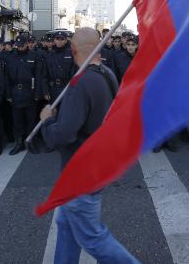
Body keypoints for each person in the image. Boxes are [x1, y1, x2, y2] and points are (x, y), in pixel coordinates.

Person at [40, 27, 139, 264]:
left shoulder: (80, 83)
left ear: (73, 49)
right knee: (65, 224)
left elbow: (63, 135)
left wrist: (48, 121)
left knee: (93, 238)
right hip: (94, 164)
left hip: (81, 171)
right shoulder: (107, 73)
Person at [6, 34, 44, 155]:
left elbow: (38, 76)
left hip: (30, 92)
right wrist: (8, 94)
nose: (20, 48)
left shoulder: (35, 56)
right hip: (15, 92)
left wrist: (37, 94)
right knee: (17, 121)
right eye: (18, 45)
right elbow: (6, 77)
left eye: (22, 45)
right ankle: (19, 143)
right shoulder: (11, 57)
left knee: (30, 120)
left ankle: (31, 142)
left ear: (27, 44)